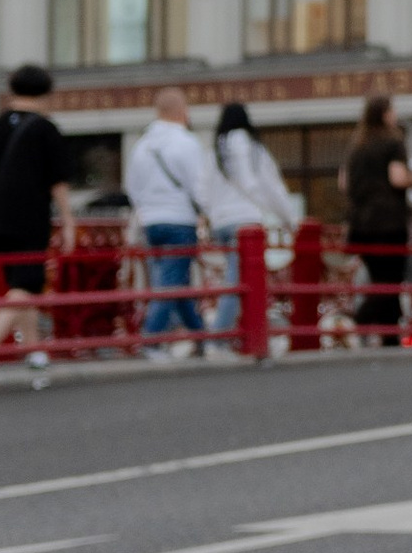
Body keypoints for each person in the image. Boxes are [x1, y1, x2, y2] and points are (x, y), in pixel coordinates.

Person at [0, 63, 83, 384]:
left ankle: (34, 352)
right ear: (46, 94)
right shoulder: (45, 128)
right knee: (25, 285)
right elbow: (57, 181)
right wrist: (69, 221)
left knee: (22, 285)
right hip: (29, 217)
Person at [127, 89, 217, 356]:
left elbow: (133, 187)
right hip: (180, 220)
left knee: (174, 281)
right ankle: (151, 340)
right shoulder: (186, 142)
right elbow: (199, 186)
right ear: (181, 111)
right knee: (170, 283)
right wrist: (207, 213)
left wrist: (146, 209)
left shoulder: (142, 145)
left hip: (150, 221)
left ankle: (200, 337)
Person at [208, 102, 296, 338]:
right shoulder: (250, 145)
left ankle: (242, 335)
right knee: (241, 282)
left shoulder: (216, 147)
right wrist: (288, 219)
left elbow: (205, 188)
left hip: (221, 222)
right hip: (245, 221)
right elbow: (267, 185)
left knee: (237, 280)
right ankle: (221, 337)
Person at [341, 95, 412, 344]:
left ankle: (390, 338)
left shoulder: (357, 145)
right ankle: (362, 320)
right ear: (385, 113)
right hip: (388, 221)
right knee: (391, 281)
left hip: (361, 223)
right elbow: (397, 177)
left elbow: (344, 183)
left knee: (379, 278)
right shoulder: (393, 141)